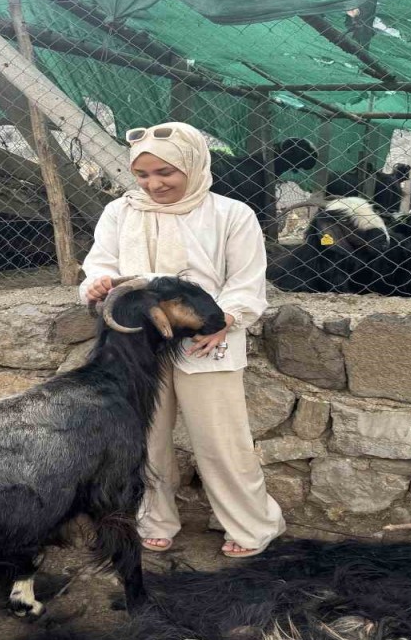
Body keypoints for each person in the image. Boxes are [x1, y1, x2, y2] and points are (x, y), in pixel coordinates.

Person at [79, 122, 285, 558]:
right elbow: (100, 263)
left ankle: (252, 524)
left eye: (165, 174)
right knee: (146, 438)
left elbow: (247, 281)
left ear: (193, 164)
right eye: (143, 175)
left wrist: (226, 319)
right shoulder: (121, 212)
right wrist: (97, 284)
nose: (153, 185)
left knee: (220, 440)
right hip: (139, 345)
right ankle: (154, 519)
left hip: (205, 340)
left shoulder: (231, 214)